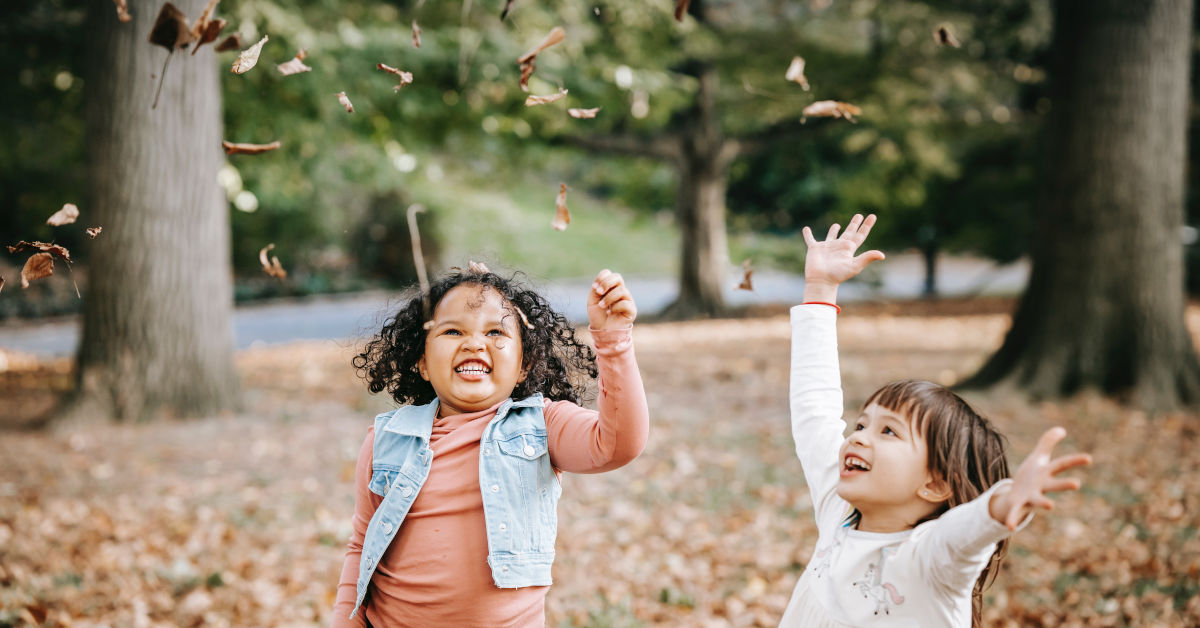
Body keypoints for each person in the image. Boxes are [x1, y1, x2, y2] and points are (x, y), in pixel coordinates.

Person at [782, 214, 1092, 627]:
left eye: (888, 431)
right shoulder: (838, 508)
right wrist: (820, 290)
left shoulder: (930, 561)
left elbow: (966, 533)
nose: (859, 438)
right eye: (861, 425)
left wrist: (1005, 501)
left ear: (936, 483)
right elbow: (814, 408)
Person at [331, 264, 649, 627]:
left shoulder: (541, 425)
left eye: (496, 331)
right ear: (422, 361)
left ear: (524, 365)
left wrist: (615, 342)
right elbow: (361, 546)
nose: (474, 342)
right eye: (452, 330)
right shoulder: (388, 439)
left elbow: (618, 444)